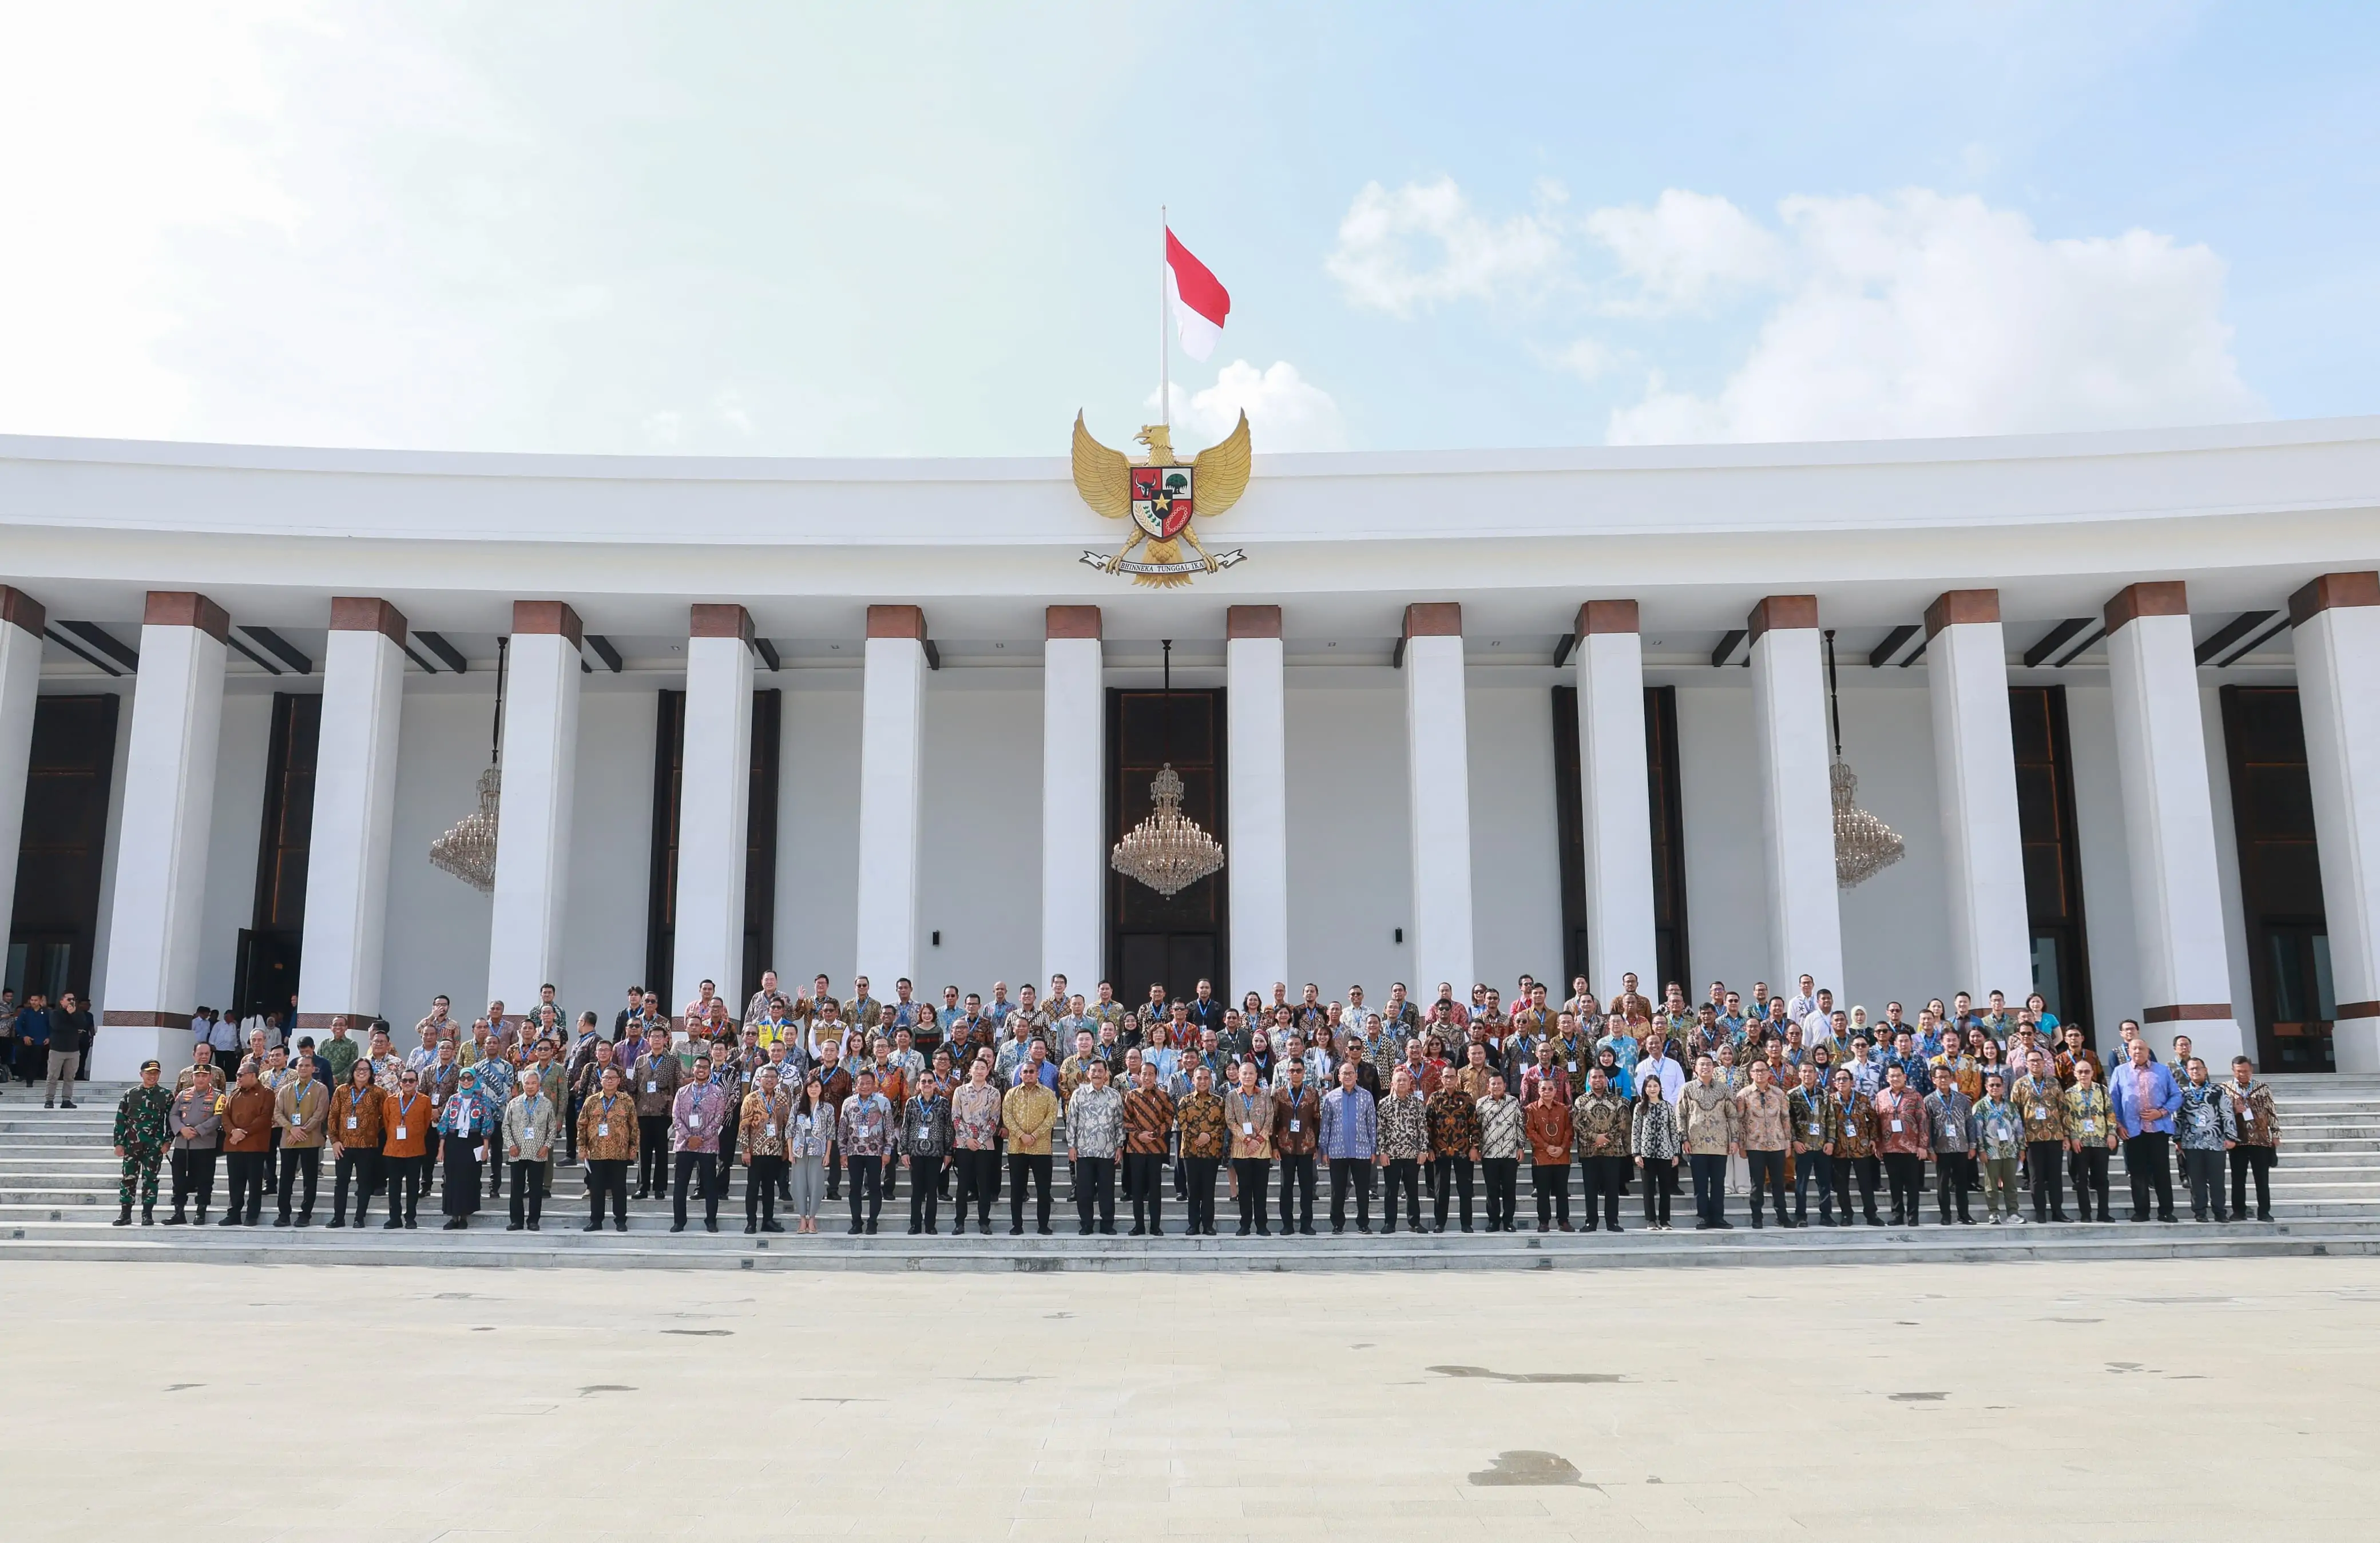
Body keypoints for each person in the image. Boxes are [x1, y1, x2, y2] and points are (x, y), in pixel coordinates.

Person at [2108, 1038, 2180, 1223]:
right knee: (2137, 1173)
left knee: (2161, 1171)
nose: (2138, 1051)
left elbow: (2177, 1095)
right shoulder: (2120, 1071)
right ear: (2129, 1052)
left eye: (2141, 1048)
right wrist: (2118, 1125)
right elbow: (2113, 1100)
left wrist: (2162, 1112)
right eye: (2134, 1048)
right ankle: (2141, 1211)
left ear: (2148, 1051)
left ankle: (2166, 1211)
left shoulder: (2162, 1070)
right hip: (2132, 1130)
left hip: (2158, 1128)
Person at [669, 1052, 728, 1233]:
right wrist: (689, 1137)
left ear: (709, 1070)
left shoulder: (718, 1093)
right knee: (681, 1185)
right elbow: (676, 1117)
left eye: (705, 1067)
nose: (701, 1070)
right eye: (698, 1067)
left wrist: (702, 1137)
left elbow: (719, 1118)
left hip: (708, 1145)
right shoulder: (682, 1092)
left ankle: (711, 1221)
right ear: (693, 1069)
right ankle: (679, 1222)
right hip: (684, 1145)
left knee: (710, 1185)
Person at [111, 1060, 173, 1225]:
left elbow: (172, 1121)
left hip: (154, 1146)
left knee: (151, 1179)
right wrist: (118, 1143)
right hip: (132, 1144)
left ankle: (147, 1214)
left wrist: (167, 1142)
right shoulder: (131, 1094)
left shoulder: (166, 1095)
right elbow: (120, 1119)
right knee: (128, 1179)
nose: (152, 1076)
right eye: (149, 1073)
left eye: (155, 1073)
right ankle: (125, 1214)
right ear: (141, 1074)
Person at [1680, 1055, 1738, 1230]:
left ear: (1714, 1068)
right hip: (1696, 1143)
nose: (1705, 1067)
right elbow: (1681, 1115)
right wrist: (1684, 1138)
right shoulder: (1687, 1089)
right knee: (1700, 1183)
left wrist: (1734, 1139)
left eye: (1709, 1064)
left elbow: (1733, 1115)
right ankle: (1704, 1217)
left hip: (1720, 1144)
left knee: (1719, 1183)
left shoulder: (1724, 1089)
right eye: (1702, 1065)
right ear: (1695, 1068)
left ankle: (1718, 1217)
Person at [1067, 1060, 1125, 1235]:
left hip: (1107, 1151)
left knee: (1107, 1191)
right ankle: (1087, 1224)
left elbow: (1119, 1122)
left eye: (1101, 1071)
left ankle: (1107, 1224)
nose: (1097, 1074)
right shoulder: (1079, 1094)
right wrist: (1071, 1146)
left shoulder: (1114, 1095)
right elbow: (1071, 1121)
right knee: (1085, 1191)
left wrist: (1119, 1146)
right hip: (1084, 1151)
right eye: (1094, 1071)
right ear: (1088, 1074)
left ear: (1106, 1073)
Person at [1319, 1060, 1378, 1235]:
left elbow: (1372, 1124)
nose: (1348, 1076)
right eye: (1345, 1073)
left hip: (1362, 1150)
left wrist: (1374, 1149)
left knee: (1362, 1189)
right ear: (1339, 1077)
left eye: (1351, 1073)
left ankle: (1363, 1223)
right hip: (1337, 1151)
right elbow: (1325, 1125)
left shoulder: (1366, 1096)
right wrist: (1324, 1150)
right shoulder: (1331, 1098)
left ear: (1356, 1076)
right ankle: (1337, 1224)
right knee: (1337, 1190)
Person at [1002, 1058, 1058, 1235]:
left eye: (1031, 1072)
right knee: (1017, 1190)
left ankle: (1043, 1225)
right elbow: (1007, 1117)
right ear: (1020, 1074)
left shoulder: (1049, 1094)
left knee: (1043, 1190)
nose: (1028, 1075)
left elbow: (1051, 1118)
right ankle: (1017, 1225)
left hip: (1041, 1148)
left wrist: (1033, 1135)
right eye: (1025, 1072)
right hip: (1017, 1148)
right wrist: (1021, 1136)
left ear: (1038, 1074)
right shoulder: (1011, 1094)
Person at [327, 1058, 385, 1228]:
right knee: (341, 1182)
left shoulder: (378, 1092)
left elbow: (386, 1117)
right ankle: (338, 1218)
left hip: (367, 1146)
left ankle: (360, 1218)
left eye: (366, 1069)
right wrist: (334, 1141)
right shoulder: (342, 1091)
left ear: (371, 1073)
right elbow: (333, 1117)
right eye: (358, 1069)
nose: (362, 1072)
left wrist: (373, 1129)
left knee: (365, 1183)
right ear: (352, 1072)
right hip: (343, 1146)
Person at [578, 1064, 636, 1232]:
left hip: (619, 1152)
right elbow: (582, 1125)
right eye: (606, 1078)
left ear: (619, 1081)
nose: (609, 1081)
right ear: (601, 1080)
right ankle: (596, 1221)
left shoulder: (626, 1101)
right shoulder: (592, 1100)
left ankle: (620, 1220)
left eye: (613, 1078)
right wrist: (581, 1146)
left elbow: (634, 1126)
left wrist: (633, 1147)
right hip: (596, 1152)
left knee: (619, 1188)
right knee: (596, 1189)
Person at [2173, 1057, 2232, 1223]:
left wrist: (2230, 1136)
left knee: (2217, 1180)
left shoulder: (2217, 1091)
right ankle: (2200, 1212)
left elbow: (2227, 1114)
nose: (2195, 1071)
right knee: (2196, 1181)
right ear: (2187, 1072)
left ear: (2205, 1070)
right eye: (2191, 1069)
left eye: (2198, 1068)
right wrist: (2177, 1139)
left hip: (2216, 1142)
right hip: (2191, 1143)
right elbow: (2178, 1117)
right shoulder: (2182, 1093)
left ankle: (2220, 1211)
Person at [949, 1057, 1004, 1235]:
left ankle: (984, 1221)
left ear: (988, 1071)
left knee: (984, 1185)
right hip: (964, 1145)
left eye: (983, 1068)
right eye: (976, 1068)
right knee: (963, 1185)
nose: (980, 1071)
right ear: (970, 1071)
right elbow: (956, 1118)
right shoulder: (960, 1091)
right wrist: (967, 1140)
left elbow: (995, 1120)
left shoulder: (994, 1093)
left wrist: (980, 1140)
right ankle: (960, 1222)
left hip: (986, 1145)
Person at [273, 1051, 329, 1226]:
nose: (304, 1068)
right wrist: (292, 1129)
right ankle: (284, 1214)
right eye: (300, 1066)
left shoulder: (321, 1089)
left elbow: (320, 1114)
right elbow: (277, 1113)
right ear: (295, 1068)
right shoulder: (286, 1090)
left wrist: (301, 1131)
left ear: (313, 1068)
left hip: (311, 1140)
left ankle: (305, 1215)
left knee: (310, 1179)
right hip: (289, 1141)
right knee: (286, 1179)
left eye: (307, 1065)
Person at [1736, 1058, 1794, 1228]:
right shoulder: (1743, 1095)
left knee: (1778, 1182)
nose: (1760, 1074)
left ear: (1769, 1073)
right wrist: (1742, 1145)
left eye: (1763, 1070)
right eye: (1757, 1071)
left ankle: (1782, 1216)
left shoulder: (1779, 1094)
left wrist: (1788, 1142)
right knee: (1757, 1183)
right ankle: (1757, 1217)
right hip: (1755, 1145)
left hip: (1777, 1143)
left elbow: (1785, 1118)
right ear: (1751, 1073)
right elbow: (1739, 1121)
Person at [164, 1064, 223, 1225]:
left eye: (205, 1076)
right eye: (198, 1076)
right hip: (183, 1144)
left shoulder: (218, 1096)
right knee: (179, 1179)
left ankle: (201, 1212)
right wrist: (182, 1129)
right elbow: (173, 1114)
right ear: (193, 1077)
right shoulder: (183, 1094)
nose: (201, 1079)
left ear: (210, 1077)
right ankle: (179, 1212)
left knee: (205, 1180)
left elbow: (219, 1117)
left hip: (205, 1144)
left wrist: (198, 1130)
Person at [1121, 1062, 1176, 1236]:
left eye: (1151, 1074)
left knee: (1155, 1189)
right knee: (1136, 1189)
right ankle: (1139, 1226)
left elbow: (1169, 1119)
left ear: (1156, 1076)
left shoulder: (1163, 1096)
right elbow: (1125, 1120)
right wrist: (1139, 1135)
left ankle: (1155, 1226)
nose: (1147, 1077)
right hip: (1136, 1148)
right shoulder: (1132, 1095)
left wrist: (1154, 1134)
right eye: (1144, 1074)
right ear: (1140, 1075)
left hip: (1156, 1147)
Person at [736, 1064, 792, 1235]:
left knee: (769, 1189)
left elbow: (787, 1124)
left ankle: (768, 1220)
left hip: (775, 1151)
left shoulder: (782, 1098)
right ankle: (751, 1222)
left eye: (773, 1077)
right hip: (755, 1152)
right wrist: (745, 1149)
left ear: (777, 1080)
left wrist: (786, 1148)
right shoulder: (751, 1098)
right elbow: (744, 1125)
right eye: (766, 1077)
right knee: (753, 1188)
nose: (769, 1080)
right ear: (760, 1079)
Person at [219, 1058, 275, 1226]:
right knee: (235, 1183)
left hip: (255, 1145)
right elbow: (225, 1116)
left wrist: (244, 1133)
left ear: (252, 1075)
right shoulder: (235, 1093)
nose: (238, 1078)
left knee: (255, 1183)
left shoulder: (267, 1093)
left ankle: (252, 1215)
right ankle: (233, 1213)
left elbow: (265, 1118)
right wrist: (233, 1132)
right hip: (234, 1145)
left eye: (240, 1075)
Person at [838, 1067, 893, 1235]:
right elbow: (842, 1129)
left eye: (869, 1083)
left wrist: (888, 1151)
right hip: (854, 1151)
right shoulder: (848, 1103)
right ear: (856, 1085)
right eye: (861, 1083)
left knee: (875, 1188)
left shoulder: (883, 1102)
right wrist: (842, 1152)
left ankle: (872, 1222)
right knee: (855, 1188)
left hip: (876, 1152)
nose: (865, 1086)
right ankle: (856, 1223)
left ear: (874, 1085)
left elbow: (889, 1129)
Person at [2224, 1056, 2280, 1221]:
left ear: (2252, 1070)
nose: (2242, 1074)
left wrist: (2276, 1134)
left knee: (2262, 1178)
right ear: (2233, 1071)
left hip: (2261, 1139)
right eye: (2239, 1072)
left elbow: (2272, 1112)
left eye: (2246, 1071)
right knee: (2238, 1178)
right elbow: (2221, 1114)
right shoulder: (2226, 1089)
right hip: (2237, 1140)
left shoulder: (2262, 1088)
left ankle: (2264, 1211)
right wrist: (2234, 1110)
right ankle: (2239, 1211)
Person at [501, 1068, 557, 1231]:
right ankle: (516, 1221)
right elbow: (506, 1127)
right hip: (517, 1153)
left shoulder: (546, 1104)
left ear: (539, 1085)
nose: (530, 1086)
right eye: (527, 1083)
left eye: (534, 1083)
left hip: (538, 1153)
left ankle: (533, 1221)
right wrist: (510, 1145)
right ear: (522, 1084)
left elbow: (552, 1128)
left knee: (536, 1190)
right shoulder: (514, 1103)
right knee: (516, 1189)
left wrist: (547, 1146)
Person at [898, 1072, 953, 1235]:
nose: (927, 1084)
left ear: (935, 1084)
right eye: (924, 1081)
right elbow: (905, 1128)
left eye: (930, 1081)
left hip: (935, 1153)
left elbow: (948, 1128)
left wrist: (948, 1151)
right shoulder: (911, 1103)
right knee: (916, 1191)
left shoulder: (943, 1103)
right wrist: (904, 1151)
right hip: (916, 1153)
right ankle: (915, 1224)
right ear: (919, 1085)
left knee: (932, 1190)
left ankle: (930, 1224)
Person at [1177, 1064, 1229, 1236]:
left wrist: (1208, 1136)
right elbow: (1182, 1123)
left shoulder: (1218, 1101)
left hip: (1211, 1152)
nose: (1203, 1081)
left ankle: (1208, 1224)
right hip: (1191, 1152)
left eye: (1206, 1078)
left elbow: (1222, 1124)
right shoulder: (1185, 1101)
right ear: (1193, 1080)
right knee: (1193, 1190)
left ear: (1211, 1080)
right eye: (1199, 1078)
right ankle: (1193, 1225)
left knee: (1208, 1190)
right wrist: (1198, 1137)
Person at [2064, 1058, 2119, 1223]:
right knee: (2081, 1181)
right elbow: (2068, 1118)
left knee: (2102, 1179)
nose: (2084, 1075)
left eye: (2087, 1071)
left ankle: (2103, 1213)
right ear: (2075, 1074)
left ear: (2093, 1073)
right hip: (2081, 1142)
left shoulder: (2102, 1091)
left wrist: (2112, 1133)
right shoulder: (2070, 1094)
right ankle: (2086, 1214)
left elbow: (2110, 1113)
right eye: (2080, 1072)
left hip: (2100, 1141)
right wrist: (2073, 1137)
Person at [1225, 1060, 1276, 1236]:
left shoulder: (1265, 1095)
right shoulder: (1232, 1096)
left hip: (1262, 1150)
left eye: (1251, 1073)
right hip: (1241, 1149)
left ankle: (1262, 1225)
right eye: (1244, 1073)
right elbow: (1231, 1121)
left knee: (1261, 1189)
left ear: (1257, 1076)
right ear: (1239, 1076)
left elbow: (1270, 1119)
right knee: (1245, 1189)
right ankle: (1245, 1224)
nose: (1248, 1077)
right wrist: (1247, 1141)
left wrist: (1259, 1139)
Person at [1375, 1065, 1427, 1235]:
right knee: (1391, 1191)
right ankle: (1390, 1223)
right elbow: (1380, 1130)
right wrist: (1382, 1152)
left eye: (1405, 1080)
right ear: (1393, 1083)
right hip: (1391, 1155)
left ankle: (1415, 1222)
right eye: (1399, 1080)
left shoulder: (1417, 1104)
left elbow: (1423, 1129)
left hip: (1412, 1154)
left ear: (1410, 1083)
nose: (1402, 1082)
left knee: (1412, 1190)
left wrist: (1423, 1150)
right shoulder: (1384, 1104)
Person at [1272, 1058, 1322, 1236]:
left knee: (1307, 1187)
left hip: (1306, 1146)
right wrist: (1274, 1147)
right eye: (1292, 1070)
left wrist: (1315, 1145)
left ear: (1304, 1072)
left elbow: (1317, 1120)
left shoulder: (1312, 1093)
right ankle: (1287, 1224)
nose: (1295, 1074)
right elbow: (1273, 1122)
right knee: (1286, 1188)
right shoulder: (1279, 1094)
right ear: (1287, 1072)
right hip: (1285, 1147)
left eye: (1298, 1070)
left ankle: (1306, 1224)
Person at [630, 1025, 680, 1200]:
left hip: (663, 1113)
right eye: (654, 1037)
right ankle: (642, 1187)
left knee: (661, 1152)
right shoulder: (641, 1061)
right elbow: (634, 1087)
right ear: (648, 1039)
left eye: (660, 1037)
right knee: (643, 1152)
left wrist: (675, 1112)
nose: (657, 1040)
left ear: (666, 1039)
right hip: (642, 1113)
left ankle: (660, 1188)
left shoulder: (673, 1060)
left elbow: (678, 1086)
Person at [1922, 1065, 1976, 1225]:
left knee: (1961, 1183)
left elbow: (1970, 1123)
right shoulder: (1929, 1101)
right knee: (1943, 1183)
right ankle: (1946, 1215)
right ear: (1934, 1080)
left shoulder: (1962, 1099)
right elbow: (1927, 1127)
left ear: (1952, 1079)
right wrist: (1930, 1149)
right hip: (1941, 1148)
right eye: (1940, 1077)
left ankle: (1964, 1214)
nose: (1943, 1080)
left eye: (1946, 1076)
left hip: (1961, 1146)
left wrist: (1972, 1145)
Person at [1786, 1061, 1836, 1226]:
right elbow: (1788, 1121)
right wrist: (1794, 1141)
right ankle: (1801, 1216)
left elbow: (1830, 1119)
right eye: (1804, 1072)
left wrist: (1831, 1141)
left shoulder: (1824, 1094)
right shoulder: (1792, 1095)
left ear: (1816, 1075)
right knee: (1801, 1182)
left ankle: (1826, 1216)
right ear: (1799, 1074)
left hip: (1822, 1145)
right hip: (1803, 1146)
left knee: (1824, 1182)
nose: (1808, 1075)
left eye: (1811, 1072)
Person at [1972, 1072, 2025, 1224]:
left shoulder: (2011, 1106)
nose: (1995, 1088)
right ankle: (1994, 1213)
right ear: (1986, 1087)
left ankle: (2013, 1213)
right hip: (1991, 1151)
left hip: (2010, 1150)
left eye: (1998, 1085)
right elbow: (1978, 1131)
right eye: (1992, 1085)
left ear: (2003, 1087)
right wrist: (1981, 1150)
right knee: (1991, 1185)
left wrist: (2022, 1148)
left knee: (2011, 1184)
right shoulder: (1980, 1107)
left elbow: (2019, 1128)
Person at [1522, 1072, 1572, 1232]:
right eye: (1544, 1089)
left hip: (1562, 1157)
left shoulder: (1564, 1109)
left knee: (1562, 1191)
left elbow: (1569, 1130)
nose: (1547, 1092)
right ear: (1539, 1090)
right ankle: (1544, 1221)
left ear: (1556, 1090)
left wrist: (1562, 1148)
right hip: (1541, 1157)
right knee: (1542, 1192)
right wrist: (1546, 1146)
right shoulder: (1531, 1109)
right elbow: (1530, 1131)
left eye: (1551, 1089)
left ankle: (1563, 1221)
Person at [1631, 1072, 1681, 1231]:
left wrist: (1676, 1152)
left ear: (1660, 1088)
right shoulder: (1640, 1107)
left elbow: (1674, 1130)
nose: (1653, 1089)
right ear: (1645, 1089)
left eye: (1655, 1086)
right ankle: (1651, 1220)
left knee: (1665, 1188)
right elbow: (1635, 1131)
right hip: (1646, 1154)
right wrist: (1636, 1153)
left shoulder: (1667, 1106)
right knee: (1648, 1188)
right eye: (1649, 1086)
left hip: (1665, 1153)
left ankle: (1665, 1220)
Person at [1474, 1072, 1524, 1233]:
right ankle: (1494, 1221)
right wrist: (1477, 1147)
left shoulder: (1513, 1102)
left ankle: (1508, 1221)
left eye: (1499, 1084)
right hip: (1489, 1154)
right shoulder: (1481, 1104)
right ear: (1488, 1087)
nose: (1496, 1087)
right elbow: (1477, 1128)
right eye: (1493, 1084)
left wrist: (1521, 1147)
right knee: (1492, 1190)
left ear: (1505, 1085)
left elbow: (1520, 1126)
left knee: (1510, 1190)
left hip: (1510, 1154)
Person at [785, 1072, 831, 1234]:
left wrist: (828, 1154)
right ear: (806, 1088)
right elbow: (789, 1130)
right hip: (799, 1150)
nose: (813, 1089)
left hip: (818, 1150)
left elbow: (830, 1133)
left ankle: (812, 1219)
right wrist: (790, 1153)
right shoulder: (798, 1106)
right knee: (799, 1185)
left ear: (821, 1089)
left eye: (817, 1086)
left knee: (816, 1185)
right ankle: (802, 1219)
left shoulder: (827, 1108)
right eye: (811, 1087)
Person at [45, 990, 90, 1108]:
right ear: (62, 1001)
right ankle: (49, 1100)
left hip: (73, 1050)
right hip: (57, 1049)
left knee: (70, 1077)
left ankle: (66, 1100)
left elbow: (82, 1025)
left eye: (73, 999)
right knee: (53, 1076)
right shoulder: (56, 1013)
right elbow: (58, 1027)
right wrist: (74, 1028)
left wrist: (73, 1014)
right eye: (69, 999)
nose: (71, 1002)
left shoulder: (78, 1014)